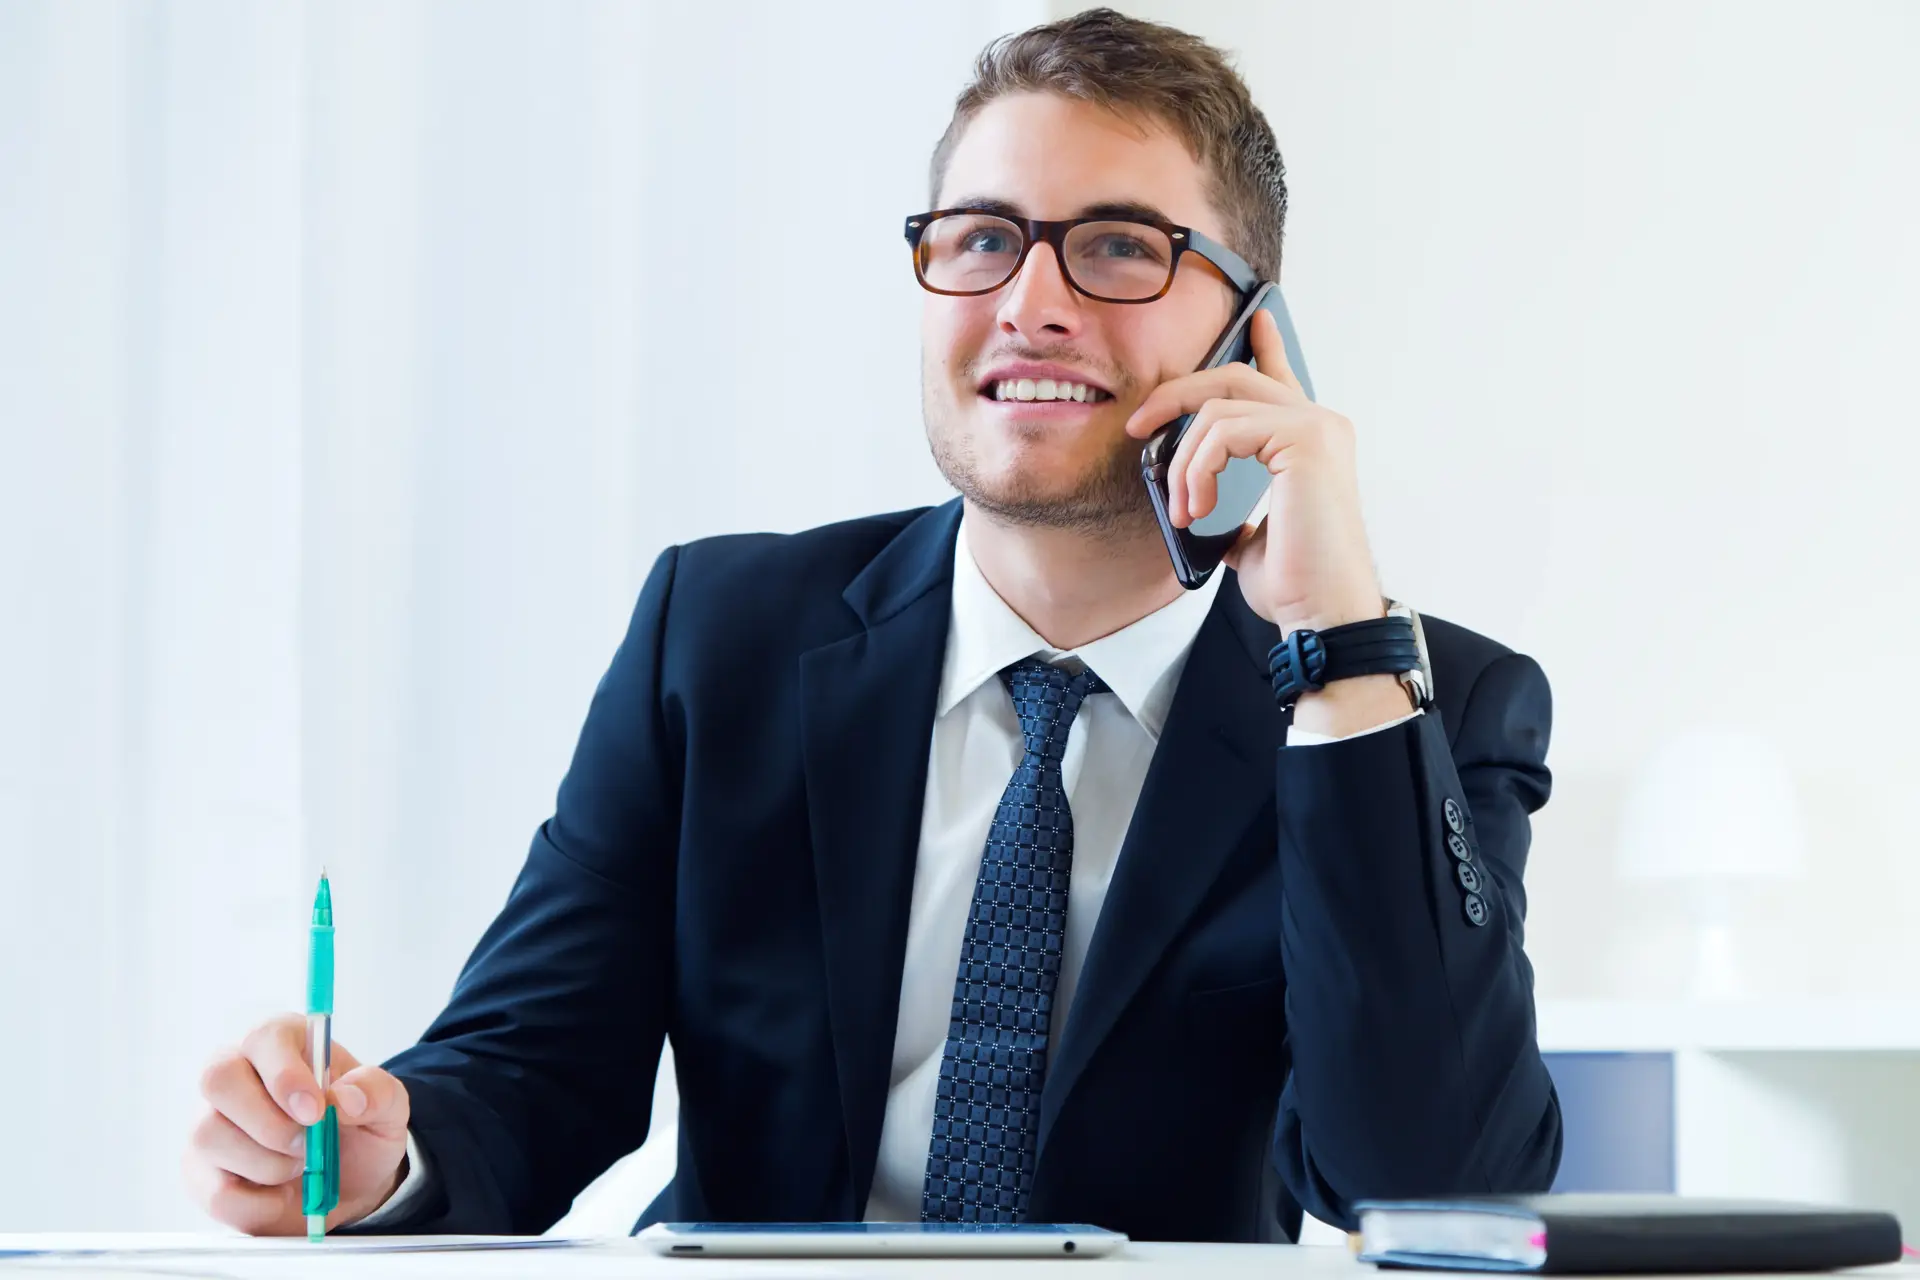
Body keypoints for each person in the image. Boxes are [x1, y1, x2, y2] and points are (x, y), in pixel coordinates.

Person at [183, 8, 1561, 1244]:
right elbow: (533, 1074)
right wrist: (382, 1155)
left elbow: (1437, 1181)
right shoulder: (717, 638)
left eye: (1120, 249)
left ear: (1257, 333)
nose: (1029, 304)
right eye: (980, 240)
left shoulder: (1416, 704)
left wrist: (1338, 647)